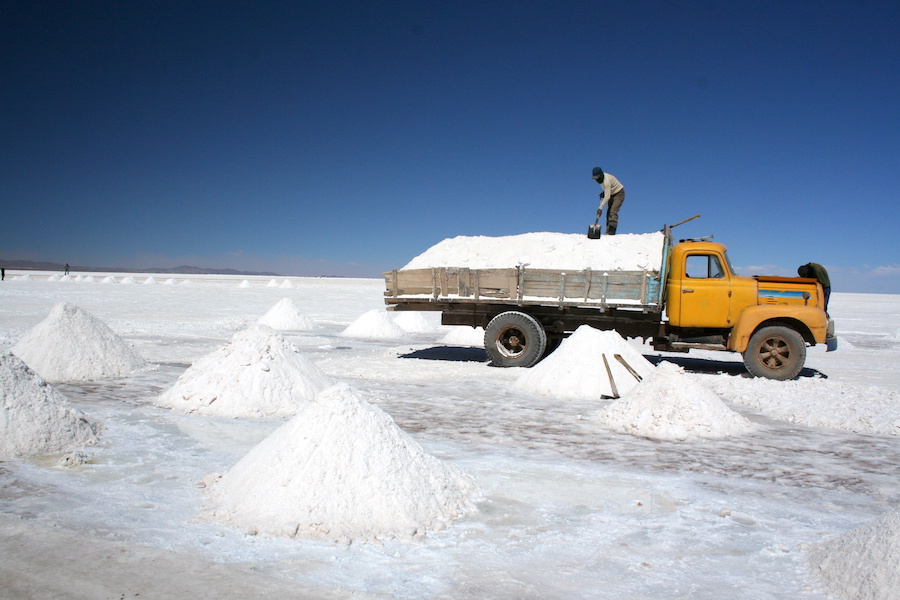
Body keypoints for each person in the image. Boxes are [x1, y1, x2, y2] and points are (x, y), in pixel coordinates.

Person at [591, 167, 625, 235]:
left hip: (619, 193)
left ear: (600, 175)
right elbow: (608, 191)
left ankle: (611, 232)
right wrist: (604, 193)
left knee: (613, 212)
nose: (596, 179)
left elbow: (607, 196)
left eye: (597, 177)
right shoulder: (601, 181)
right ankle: (608, 231)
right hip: (612, 193)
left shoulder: (606, 181)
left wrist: (600, 208)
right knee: (608, 213)